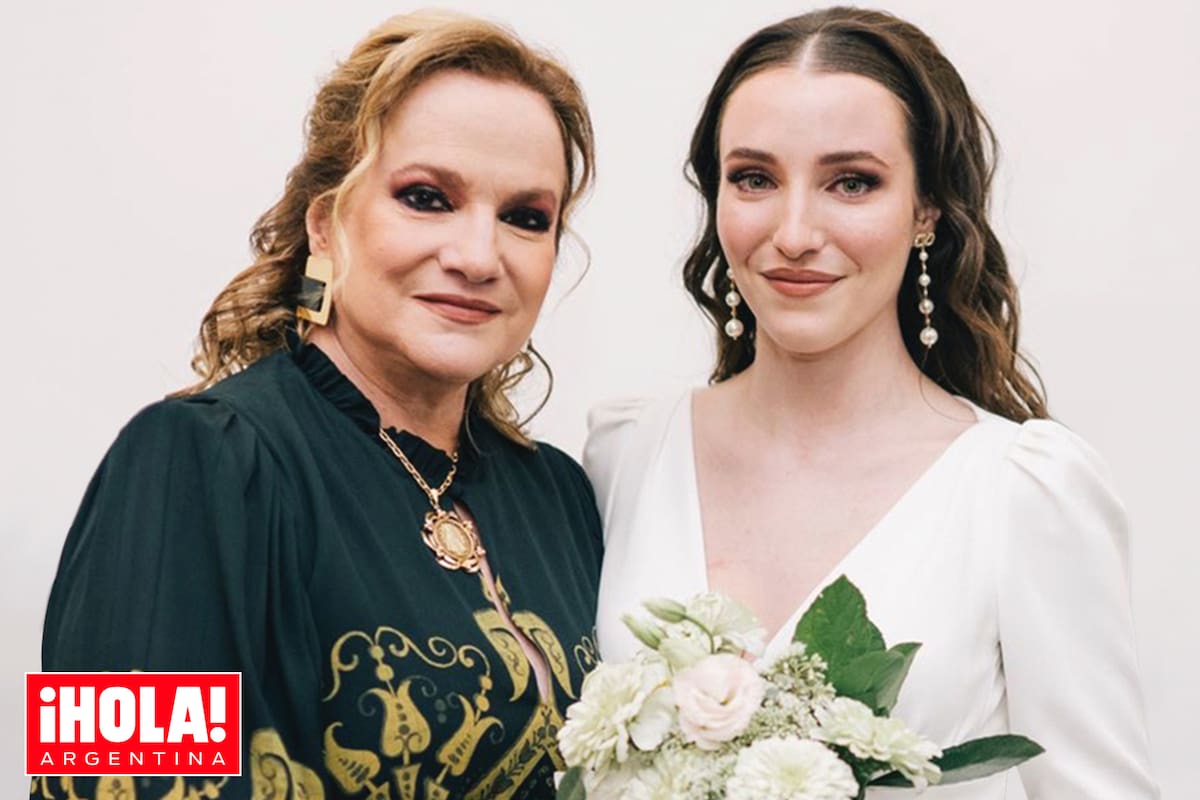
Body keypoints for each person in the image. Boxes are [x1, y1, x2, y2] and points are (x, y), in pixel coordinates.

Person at [585, 8, 1157, 798]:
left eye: (851, 182)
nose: (793, 232)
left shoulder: (1021, 491)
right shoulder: (624, 457)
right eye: (754, 178)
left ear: (927, 209)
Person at [36, 11, 601, 800]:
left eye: (525, 218)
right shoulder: (191, 462)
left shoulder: (560, 499)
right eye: (427, 197)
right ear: (325, 226)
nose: (479, 256)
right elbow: (103, 784)